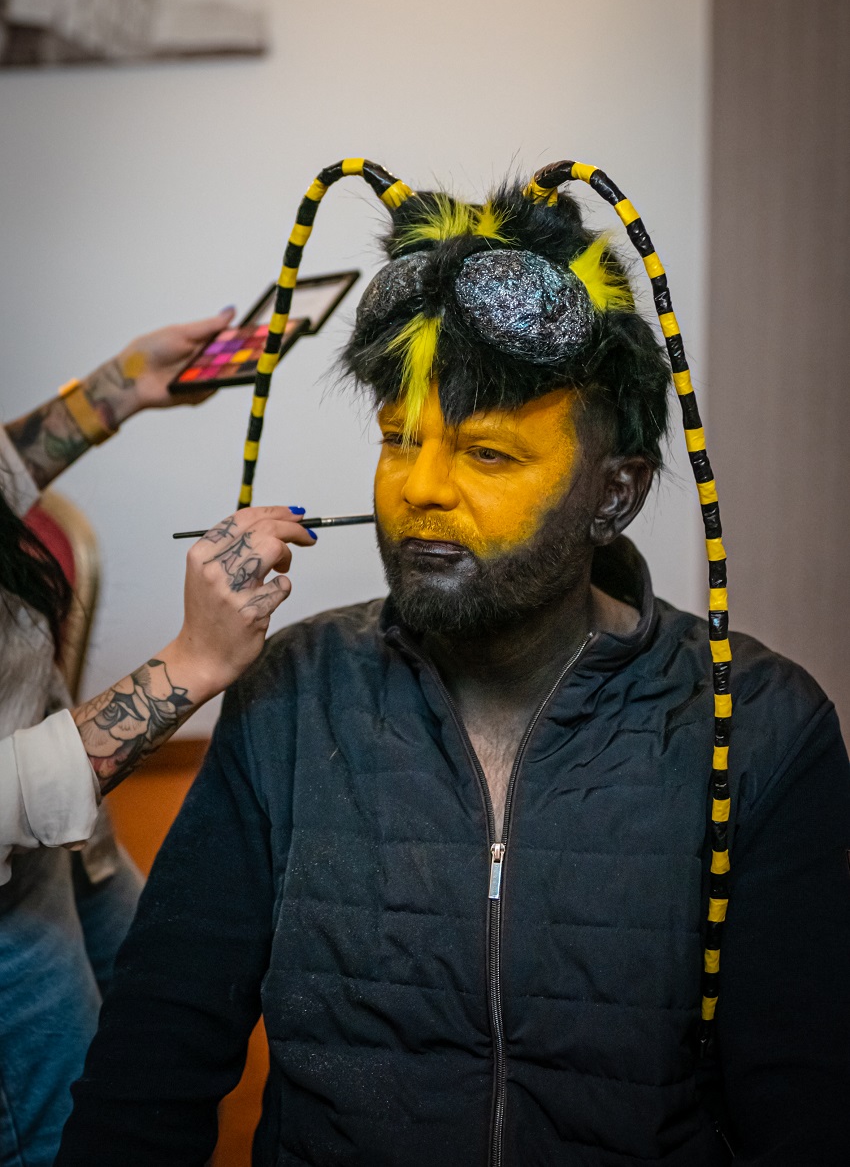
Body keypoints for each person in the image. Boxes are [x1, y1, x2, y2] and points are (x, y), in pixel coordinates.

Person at [57, 168, 850, 1166]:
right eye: (400, 439)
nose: (420, 488)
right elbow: (151, 1066)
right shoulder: (292, 697)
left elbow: (805, 1109)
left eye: (488, 454)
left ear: (613, 495)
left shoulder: (762, 727)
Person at [0, 314, 314, 1167]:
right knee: (70, 1129)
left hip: (61, 843)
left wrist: (127, 381)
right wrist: (193, 662)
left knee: (149, 1024)